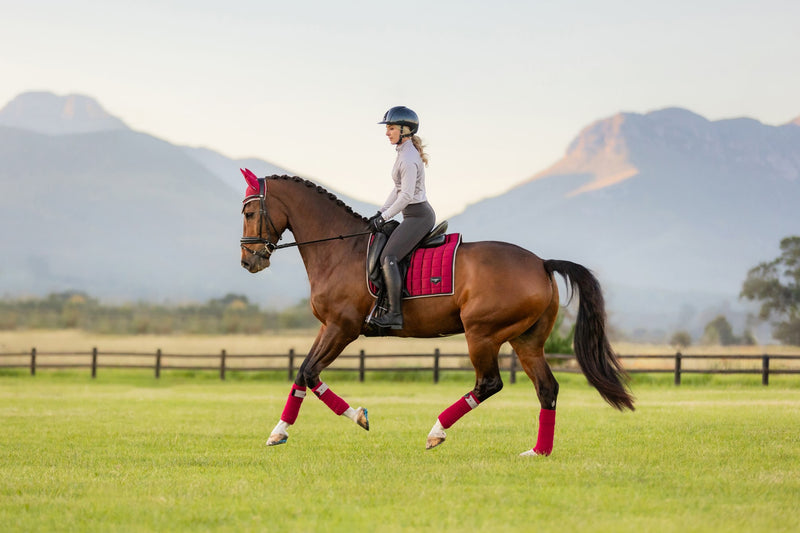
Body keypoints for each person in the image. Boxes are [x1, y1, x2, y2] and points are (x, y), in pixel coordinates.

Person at [368, 106, 436, 329]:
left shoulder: (407, 158)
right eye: (387, 128)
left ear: (405, 130)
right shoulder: (403, 154)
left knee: (388, 257)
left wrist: (386, 216)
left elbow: (406, 195)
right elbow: (397, 189)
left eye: (391, 128)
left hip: (419, 216)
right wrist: (380, 212)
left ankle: (394, 314)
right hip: (411, 215)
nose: (387, 132)